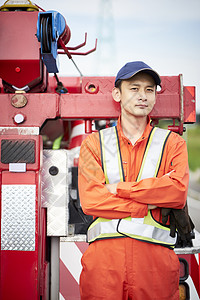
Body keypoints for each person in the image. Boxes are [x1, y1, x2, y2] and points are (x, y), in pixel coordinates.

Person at [78, 61, 190, 300]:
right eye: (134, 88)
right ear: (117, 94)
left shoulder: (173, 143)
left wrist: (118, 189)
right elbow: (91, 200)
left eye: (150, 90)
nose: (143, 96)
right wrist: (148, 203)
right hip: (104, 267)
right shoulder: (94, 143)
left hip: (154, 267)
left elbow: (177, 194)